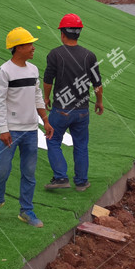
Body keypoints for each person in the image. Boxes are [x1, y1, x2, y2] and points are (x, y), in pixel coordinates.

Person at [0, 27, 53, 228]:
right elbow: (0, 102)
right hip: (11, 131)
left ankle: (26, 210)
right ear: (18, 47)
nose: (33, 48)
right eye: (29, 44)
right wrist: (3, 130)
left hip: (31, 130)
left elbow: (37, 96)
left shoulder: (33, 70)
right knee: (2, 169)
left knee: (29, 173)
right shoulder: (3, 72)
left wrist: (45, 120)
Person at [42, 13, 103, 192]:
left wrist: (46, 98)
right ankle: (82, 182)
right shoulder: (89, 56)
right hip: (82, 110)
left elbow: (48, 81)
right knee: (81, 145)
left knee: (53, 140)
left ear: (62, 33)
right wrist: (99, 102)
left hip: (61, 109)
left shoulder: (55, 54)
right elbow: (97, 84)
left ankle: (61, 177)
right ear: (78, 33)